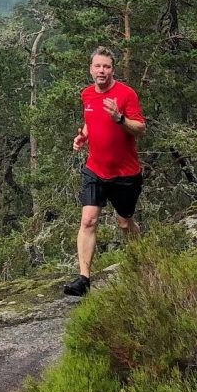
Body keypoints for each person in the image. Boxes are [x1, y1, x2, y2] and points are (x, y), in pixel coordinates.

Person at [63, 46, 145, 297]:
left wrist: (119, 118)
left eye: (106, 66)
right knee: (88, 220)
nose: (102, 71)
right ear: (91, 69)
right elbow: (90, 121)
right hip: (95, 169)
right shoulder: (87, 94)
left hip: (125, 174)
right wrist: (83, 137)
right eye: (98, 66)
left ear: (112, 69)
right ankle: (83, 279)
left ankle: (141, 260)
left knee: (124, 222)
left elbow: (140, 128)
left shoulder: (126, 94)